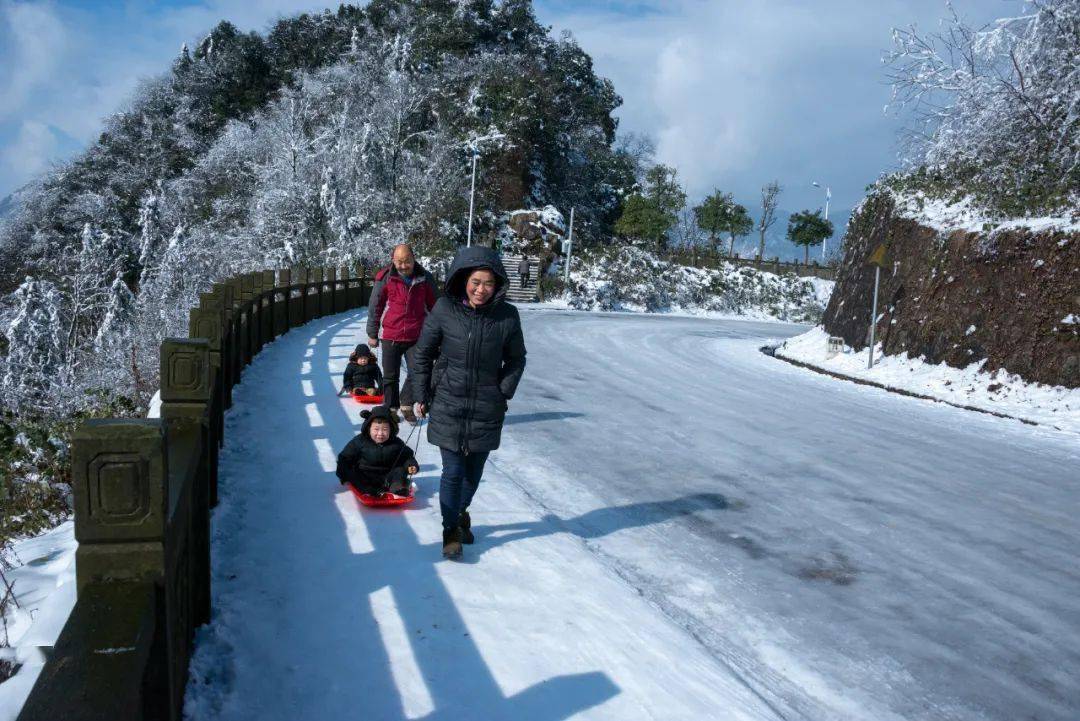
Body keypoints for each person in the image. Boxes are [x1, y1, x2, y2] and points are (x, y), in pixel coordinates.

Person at [412, 246, 527, 559]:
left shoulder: (507, 316)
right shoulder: (444, 309)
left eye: (488, 283)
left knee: (473, 473)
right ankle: (451, 529)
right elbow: (423, 353)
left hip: (487, 407)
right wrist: (421, 393)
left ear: (498, 284)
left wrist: (502, 390)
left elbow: (517, 359)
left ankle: (460, 512)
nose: (481, 289)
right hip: (448, 400)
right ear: (463, 279)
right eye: (476, 282)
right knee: (452, 472)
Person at [367, 244, 437, 423]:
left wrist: (439, 333)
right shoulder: (385, 277)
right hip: (391, 334)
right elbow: (376, 305)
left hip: (416, 335)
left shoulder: (424, 278)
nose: (403, 266)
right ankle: (391, 409)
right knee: (390, 376)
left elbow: (435, 306)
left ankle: (406, 403)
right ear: (393, 261)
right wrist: (372, 332)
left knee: (419, 371)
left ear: (414, 259)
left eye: (407, 261)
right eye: (399, 262)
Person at [335, 406, 418, 497]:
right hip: (366, 475)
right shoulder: (360, 441)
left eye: (385, 429)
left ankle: (397, 488)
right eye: (376, 429)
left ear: (391, 429)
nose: (380, 433)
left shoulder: (396, 443)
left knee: (399, 471)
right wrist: (343, 474)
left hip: (388, 476)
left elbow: (407, 457)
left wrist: (411, 465)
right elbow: (345, 458)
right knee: (354, 474)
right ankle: (369, 492)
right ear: (369, 428)